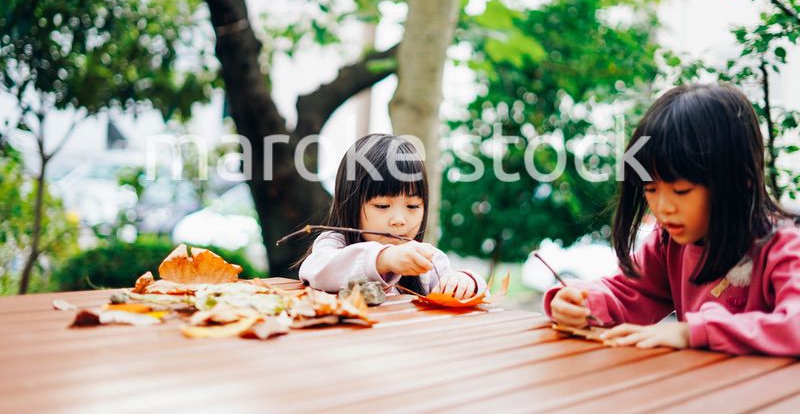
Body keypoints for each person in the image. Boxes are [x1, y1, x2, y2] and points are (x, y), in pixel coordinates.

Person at [544, 84, 800, 356]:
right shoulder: (670, 244)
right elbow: (627, 294)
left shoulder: (783, 248)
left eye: (681, 191)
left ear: (740, 179)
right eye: (651, 189)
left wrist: (691, 332)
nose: (663, 208)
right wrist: (578, 301)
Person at [299, 134, 486, 298]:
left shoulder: (427, 262)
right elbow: (318, 270)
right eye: (382, 205)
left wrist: (466, 282)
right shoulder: (333, 245)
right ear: (350, 204)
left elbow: (474, 295)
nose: (399, 220)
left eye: (412, 206)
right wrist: (384, 259)